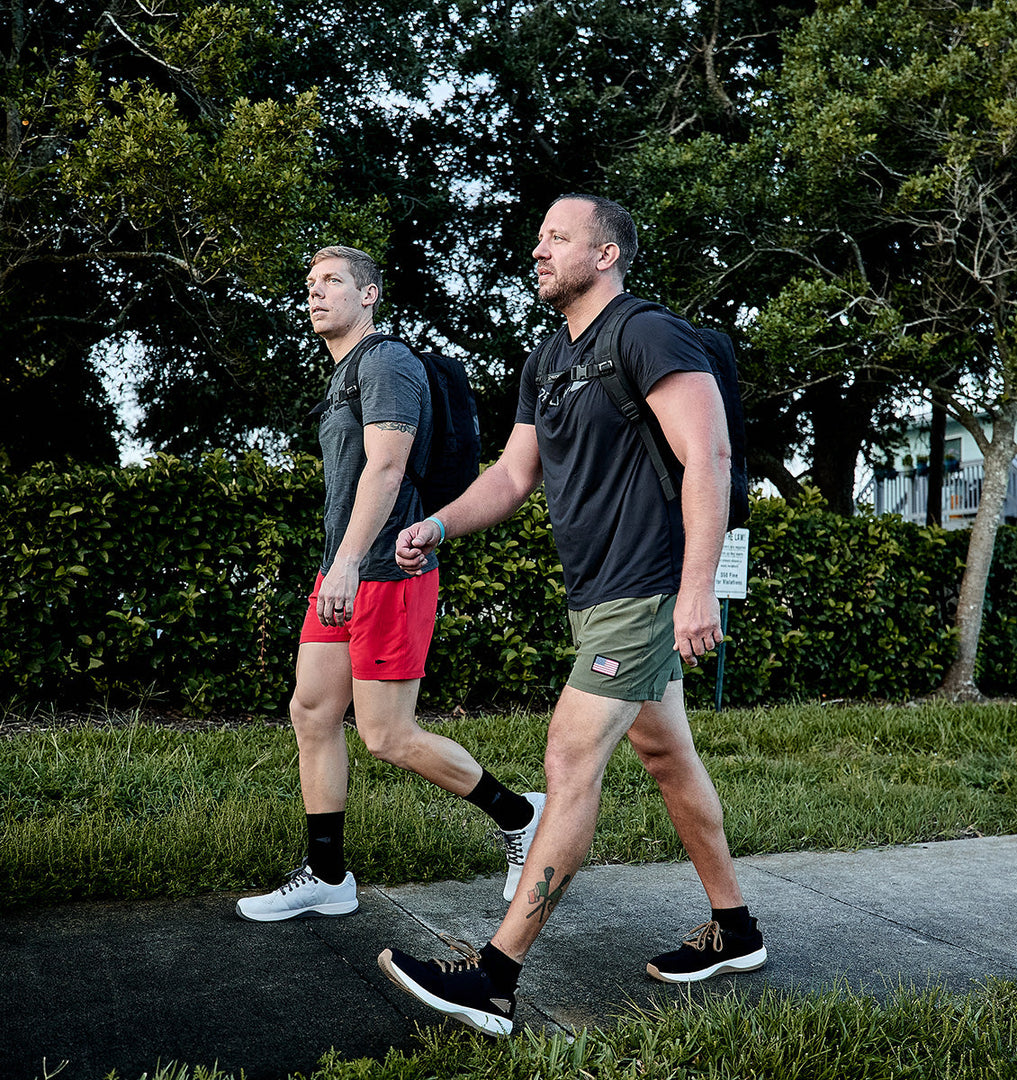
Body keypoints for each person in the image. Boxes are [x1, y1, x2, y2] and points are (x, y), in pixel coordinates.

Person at [379, 197, 766, 1035]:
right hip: (597, 593)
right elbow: (515, 476)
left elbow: (709, 454)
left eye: (558, 237)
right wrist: (440, 522)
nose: (539, 249)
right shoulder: (550, 356)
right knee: (666, 753)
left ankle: (493, 976)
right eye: (541, 236)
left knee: (568, 758)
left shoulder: (647, 333)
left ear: (608, 252)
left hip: (648, 584)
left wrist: (696, 586)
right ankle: (736, 930)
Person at [235, 246, 544, 922]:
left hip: (384, 575)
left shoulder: (385, 363)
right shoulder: (345, 372)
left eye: (332, 282)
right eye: (309, 282)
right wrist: (335, 565)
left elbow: (386, 468)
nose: (314, 294)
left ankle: (521, 814)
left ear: (369, 295)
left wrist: (346, 563)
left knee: (387, 736)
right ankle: (327, 875)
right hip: (341, 571)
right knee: (311, 712)